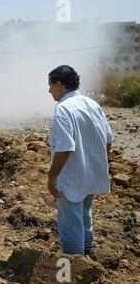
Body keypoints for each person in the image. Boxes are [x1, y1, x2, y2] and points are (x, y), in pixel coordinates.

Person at [47, 65, 113, 257]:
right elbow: (108, 139)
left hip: (71, 177)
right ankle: (87, 250)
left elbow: (65, 147)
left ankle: (74, 264)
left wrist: (52, 177)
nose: (49, 90)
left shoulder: (63, 109)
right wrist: (98, 164)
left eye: (50, 85)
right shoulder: (92, 105)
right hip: (92, 174)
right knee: (85, 213)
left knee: (70, 222)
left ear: (59, 84)